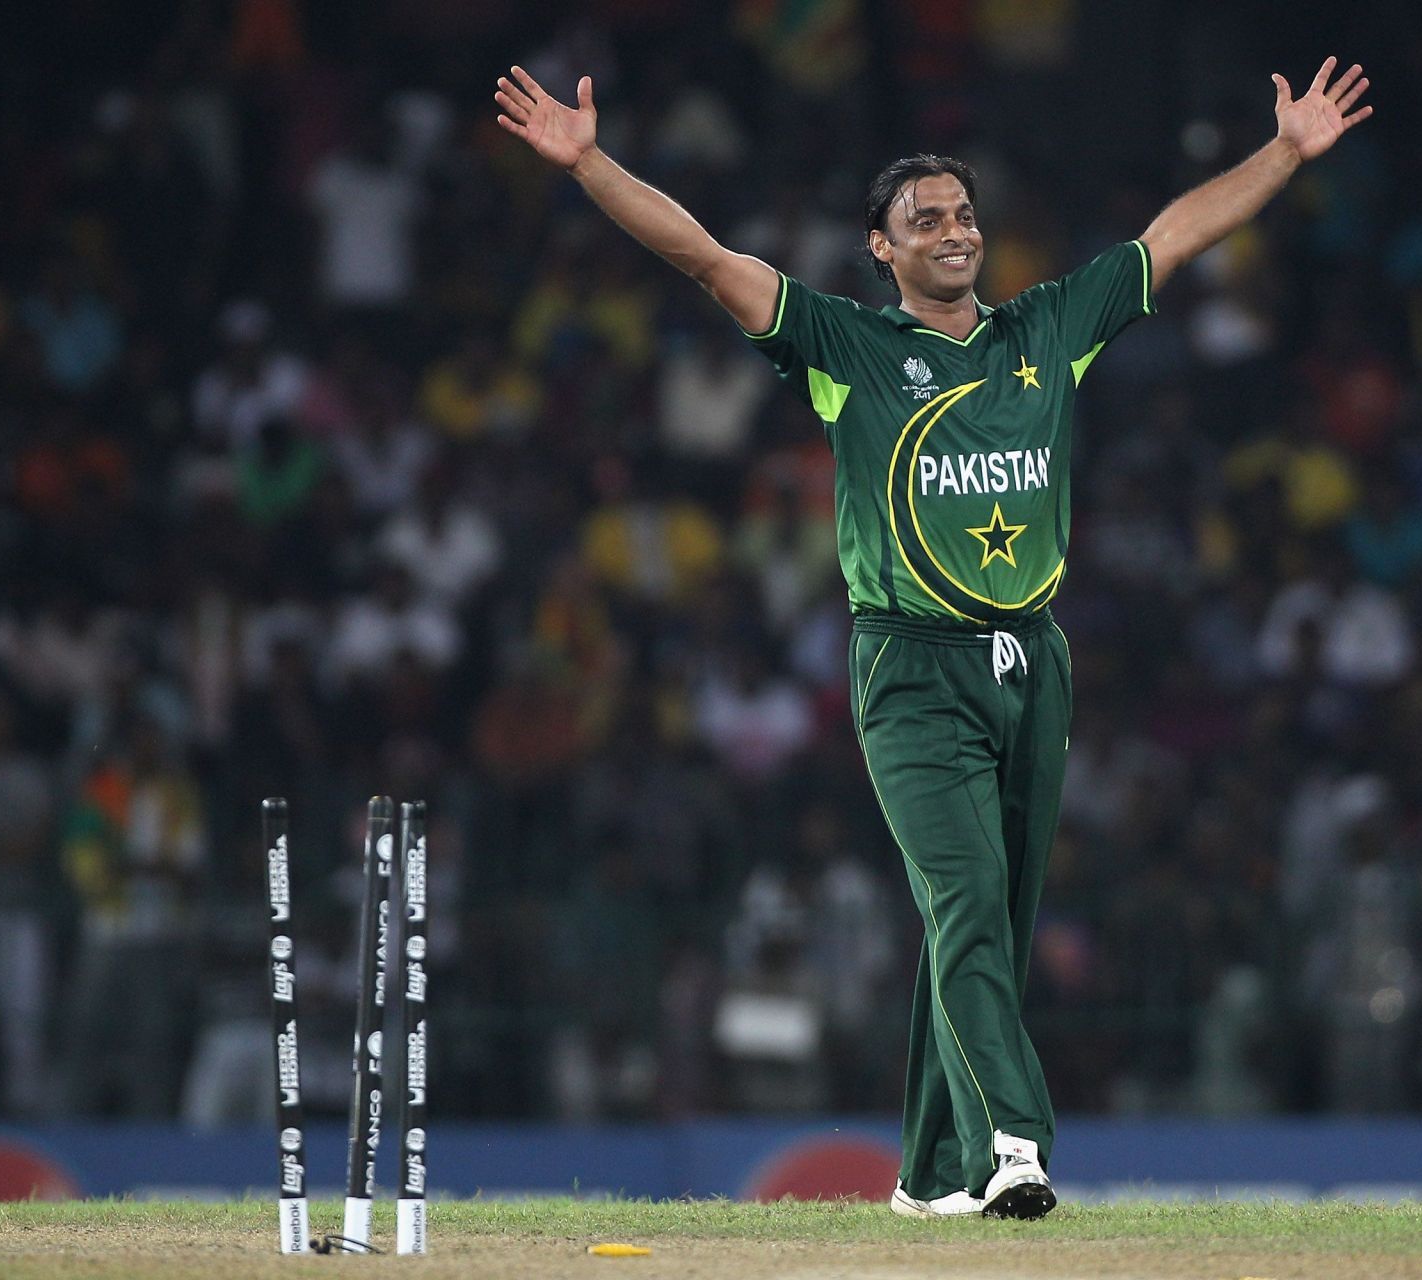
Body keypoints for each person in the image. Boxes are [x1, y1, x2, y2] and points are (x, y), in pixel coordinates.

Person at [496, 55, 1372, 1218]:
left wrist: (1287, 152)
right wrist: (591, 162)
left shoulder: (1051, 326)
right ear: (882, 246)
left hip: (1033, 662)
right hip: (909, 665)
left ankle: (927, 1176)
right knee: (963, 897)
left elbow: (1174, 238)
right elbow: (705, 257)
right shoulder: (846, 349)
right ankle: (1015, 1142)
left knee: (993, 921)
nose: (954, 231)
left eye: (963, 214)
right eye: (926, 219)